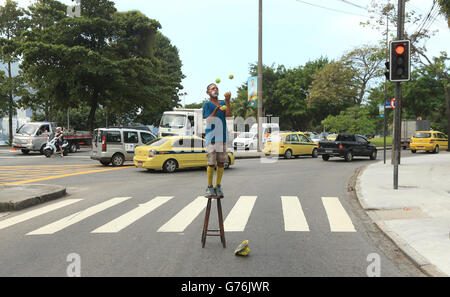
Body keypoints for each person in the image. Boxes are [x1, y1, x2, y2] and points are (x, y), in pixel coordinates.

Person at [203, 83, 231, 198]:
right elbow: (209, 120)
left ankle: (218, 186)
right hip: (211, 138)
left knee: (221, 163)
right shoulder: (207, 104)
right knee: (211, 163)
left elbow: (228, 115)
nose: (215, 89)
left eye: (216, 88)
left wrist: (227, 101)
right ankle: (209, 187)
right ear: (208, 92)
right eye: (212, 88)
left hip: (222, 137)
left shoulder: (223, 103)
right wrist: (216, 110)